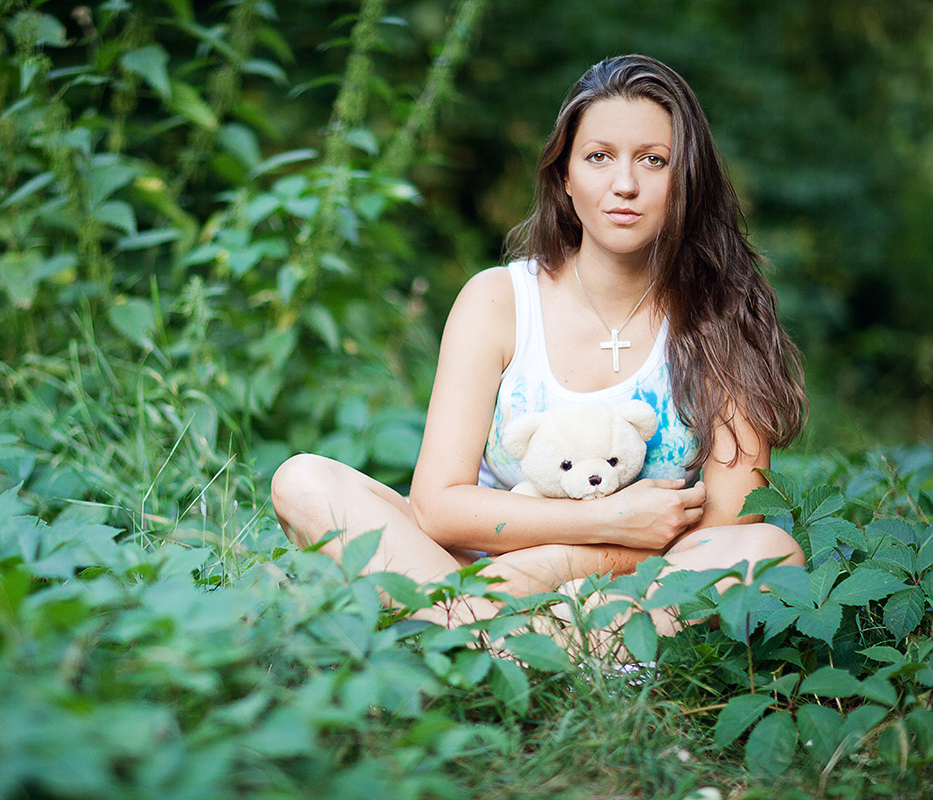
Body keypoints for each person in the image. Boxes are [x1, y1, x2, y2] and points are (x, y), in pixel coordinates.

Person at [270, 54, 808, 633]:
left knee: (770, 550)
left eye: (654, 160)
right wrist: (608, 521)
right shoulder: (498, 301)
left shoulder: (721, 316)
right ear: (566, 176)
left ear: (688, 181)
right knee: (303, 480)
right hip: (472, 570)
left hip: (626, 589)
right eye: (599, 157)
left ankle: (480, 636)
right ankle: (521, 639)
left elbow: (730, 521)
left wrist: (557, 563)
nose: (624, 184)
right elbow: (436, 507)